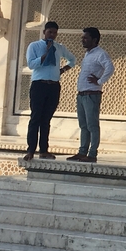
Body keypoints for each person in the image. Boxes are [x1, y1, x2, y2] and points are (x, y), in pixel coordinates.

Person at [24, 21, 76, 161]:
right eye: (49, 32)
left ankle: (44, 150)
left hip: (53, 86)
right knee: (36, 118)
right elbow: (31, 64)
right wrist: (45, 54)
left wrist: (63, 70)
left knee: (46, 120)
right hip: (39, 85)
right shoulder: (34, 46)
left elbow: (72, 59)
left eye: (54, 33)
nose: (52, 35)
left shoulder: (59, 48)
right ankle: (30, 150)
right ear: (44, 32)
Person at [67, 27, 115, 164]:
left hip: (91, 94)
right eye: (83, 37)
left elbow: (110, 68)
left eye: (86, 38)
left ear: (94, 40)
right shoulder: (88, 54)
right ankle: (82, 152)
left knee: (92, 125)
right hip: (82, 94)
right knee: (83, 125)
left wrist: (99, 81)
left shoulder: (100, 54)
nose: (83, 39)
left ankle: (92, 153)